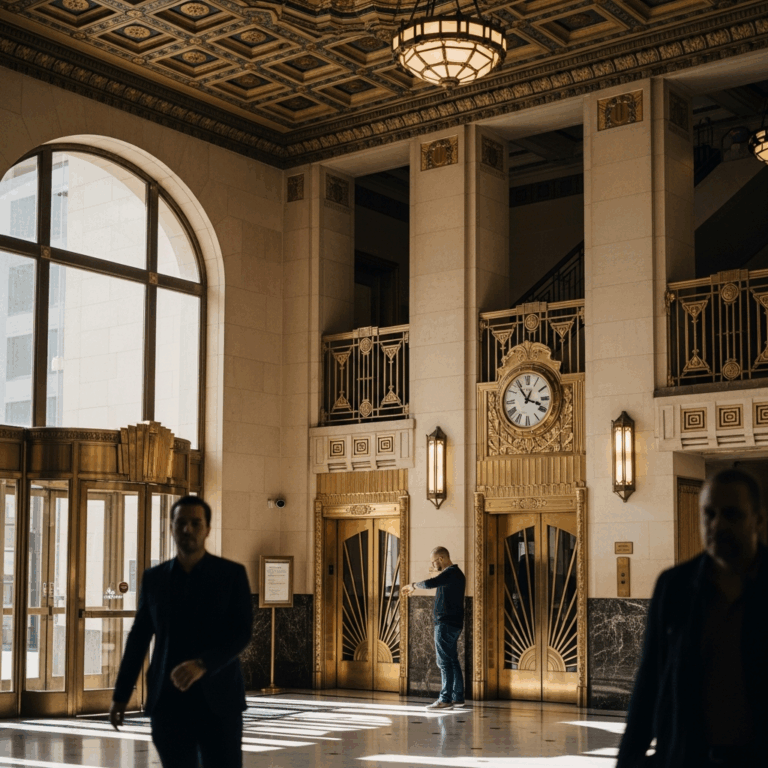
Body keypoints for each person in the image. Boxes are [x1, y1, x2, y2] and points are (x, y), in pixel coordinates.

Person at [617, 468, 768, 768]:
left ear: (758, 520)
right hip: (688, 756)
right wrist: (629, 759)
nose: (717, 525)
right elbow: (649, 681)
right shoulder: (674, 587)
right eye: (708, 514)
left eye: (731, 514)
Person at [109, 496, 253, 768]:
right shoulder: (155, 579)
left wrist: (203, 664)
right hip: (168, 701)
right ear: (172, 527)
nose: (188, 529)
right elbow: (138, 639)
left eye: (195, 523)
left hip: (219, 701)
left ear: (208, 529)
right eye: (181, 523)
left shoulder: (231, 575)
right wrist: (120, 696)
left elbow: (241, 633)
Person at [402, 546, 466, 710]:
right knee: (452, 660)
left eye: (434, 561)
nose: (433, 565)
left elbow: (432, 583)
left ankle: (445, 699)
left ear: (441, 559)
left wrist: (413, 585)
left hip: (445, 623)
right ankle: (458, 697)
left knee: (444, 662)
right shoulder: (457, 574)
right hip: (454, 623)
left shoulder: (450, 573)